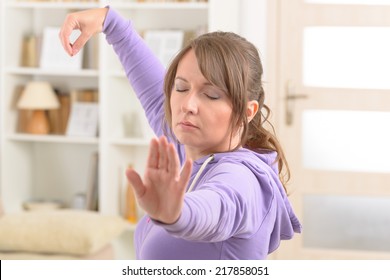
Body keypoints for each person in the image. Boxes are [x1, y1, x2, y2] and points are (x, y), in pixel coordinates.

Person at [59, 6, 301, 260]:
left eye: (211, 95)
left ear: (247, 111)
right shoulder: (187, 145)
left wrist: (177, 213)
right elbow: (154, 95)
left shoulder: (241, 178)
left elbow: (216, 207)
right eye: (181, 88)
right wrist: (109, 21)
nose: (187, 105)